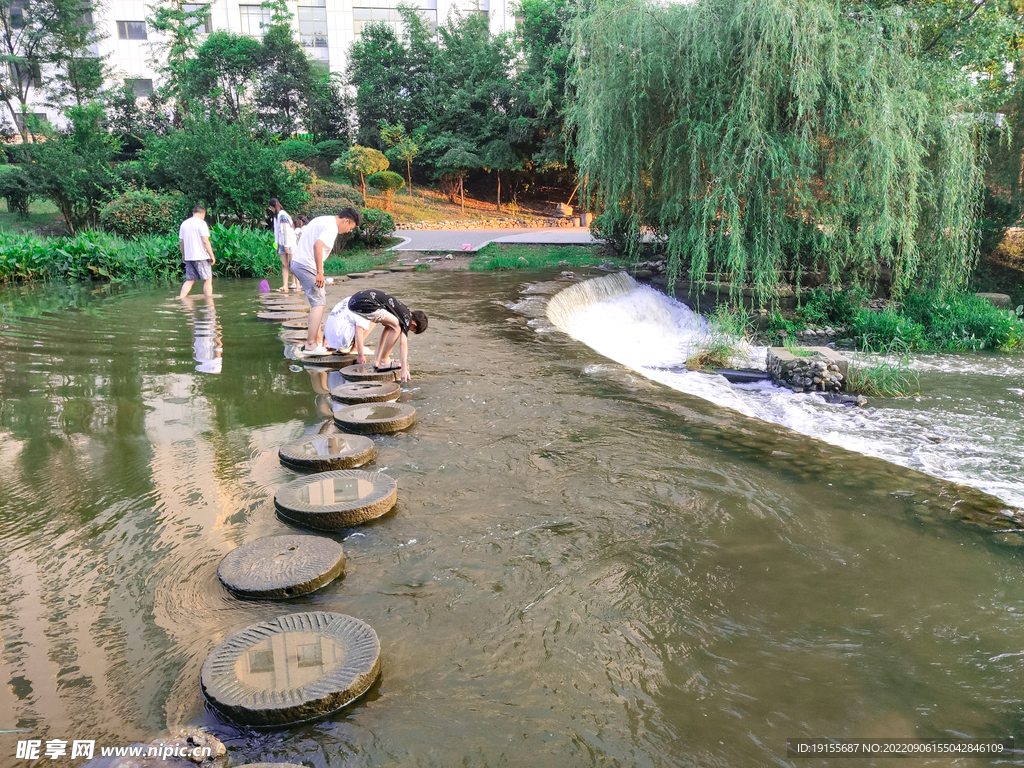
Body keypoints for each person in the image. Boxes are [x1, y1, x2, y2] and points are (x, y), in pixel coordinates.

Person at [290, 207, 361, 356]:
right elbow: (318, 245)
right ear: (346, 220)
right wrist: (319, 273)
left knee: (316, 302)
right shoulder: (332, 227)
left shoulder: (324, 219)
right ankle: (311, 345)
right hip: (306, 265)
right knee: (319, 303)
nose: (348, 231)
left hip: (298, 262)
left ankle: (316, 341)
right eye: (350, 227)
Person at [348, 288, 427, 382]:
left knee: (392, 326)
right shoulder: (406, 319)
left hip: (354, 302)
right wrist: (404, 369)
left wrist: (377, 361)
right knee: (397, 327)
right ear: (414, 324)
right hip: (365, 303)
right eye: (412, 330)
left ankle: (379, 361)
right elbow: (403, 344)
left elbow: (387, 329)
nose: (408, 330)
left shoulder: (401, 311)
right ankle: (384, 361)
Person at [178, 205, 216, 298]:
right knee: (207, 280)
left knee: (190, 280)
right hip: (201, 256)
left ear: (193, 213)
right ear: (203, 214)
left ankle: (181, 297)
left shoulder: (184, 224)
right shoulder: (201, 223)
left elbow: (181, 242)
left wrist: (183, 255)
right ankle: (209, 302)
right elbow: (205, 241)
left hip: (189, 257)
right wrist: (212, 255)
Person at [269, 198, 300, 292]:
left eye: (271, 207)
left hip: (290, 242)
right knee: (284, 264)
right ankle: (285, 286)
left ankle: (298, 285)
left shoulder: (282, 215)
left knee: (293, 263)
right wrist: (278, 245)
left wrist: (286, 245)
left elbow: (285, 230)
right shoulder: (276, 217)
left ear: (273, 206)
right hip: (281, 243)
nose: (270, 209)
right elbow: (277, 232)